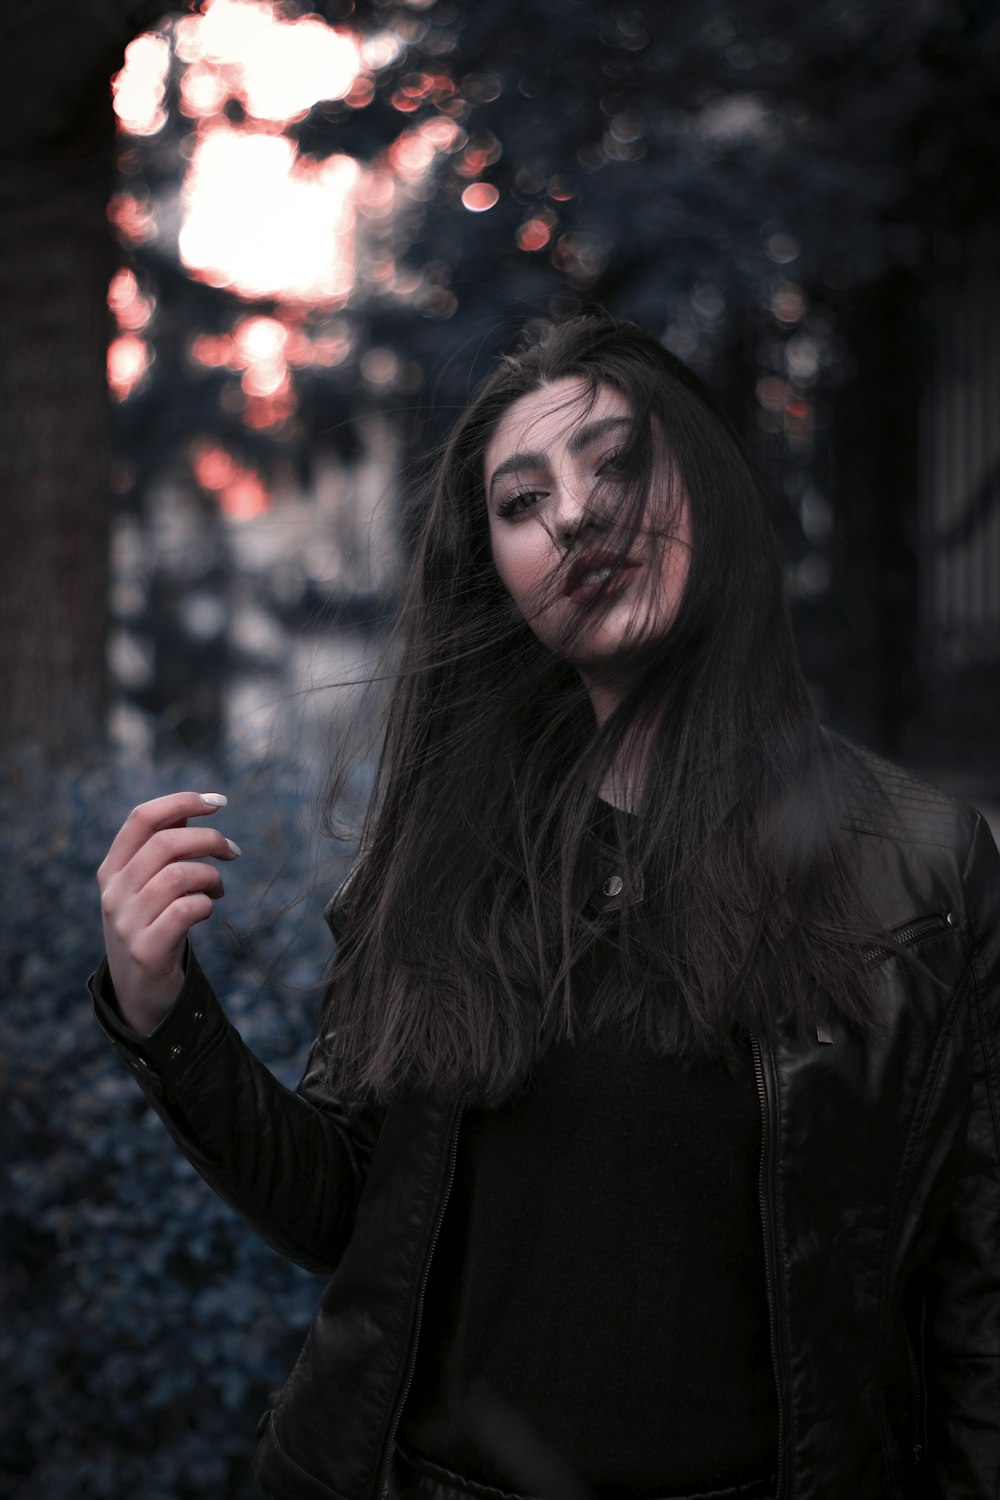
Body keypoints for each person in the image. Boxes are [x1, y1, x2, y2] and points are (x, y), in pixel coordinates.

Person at [92, 315, 1000, 1500]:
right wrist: (164, 1009)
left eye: (617, 464)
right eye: (522, 503)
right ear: (501, 577)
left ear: (708, 489)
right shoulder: (442, 852)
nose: (574, 514)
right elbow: (353, 1216)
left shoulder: (921, 868)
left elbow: (974, 1314)